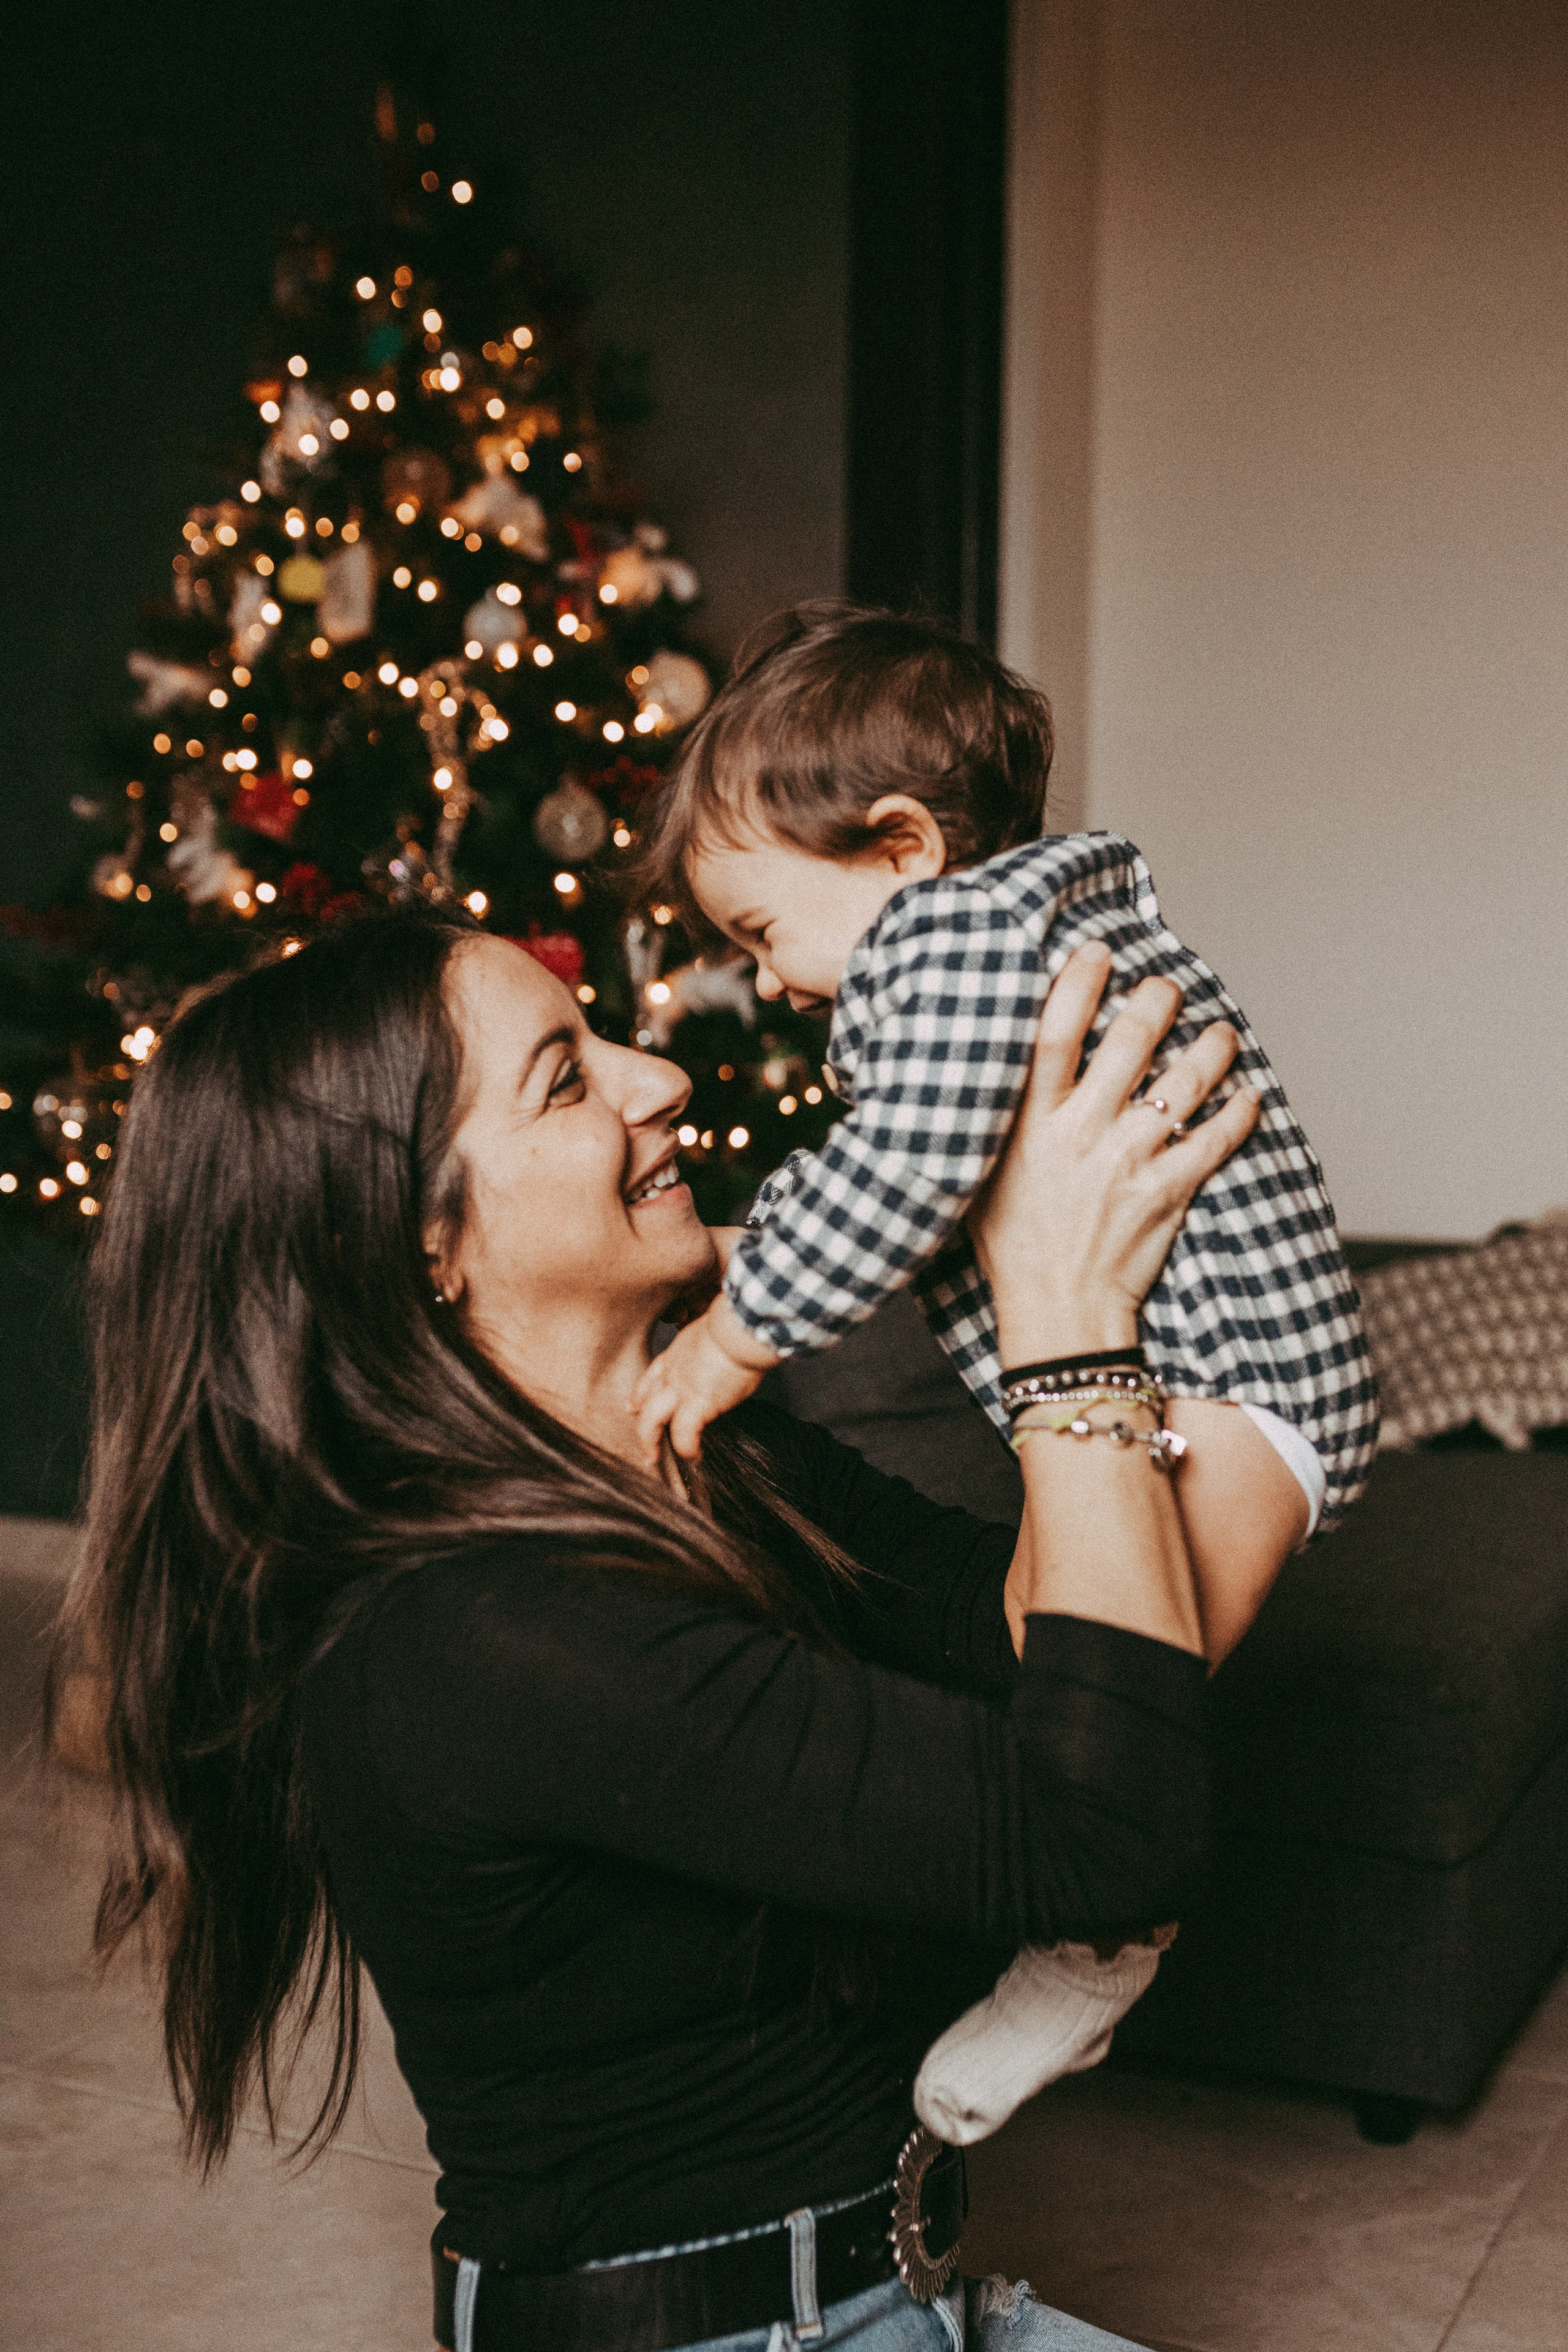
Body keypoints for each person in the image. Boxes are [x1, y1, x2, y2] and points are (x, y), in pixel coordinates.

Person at [64, 903, 1257, 2352]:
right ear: (423, 1242)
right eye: (566, 1079)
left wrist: (1011, 1254)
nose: (659, 1077)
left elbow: (1023, 1639)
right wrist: (1066, 1332)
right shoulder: (476, 1632)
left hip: (886, 2295)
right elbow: (1100, 1836)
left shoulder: (700, 1449)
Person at [627, 604, 1379, 2141]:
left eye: (761, 933)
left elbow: (902, 1171)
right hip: (1175, 1378)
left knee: (1113, 1709)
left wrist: (731, 1333)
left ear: (898, 847)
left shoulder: (957, 938)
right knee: (1058, 1656)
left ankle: (1097, 1944)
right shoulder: (998, 934)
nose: (768, 985)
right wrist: (731, 1247)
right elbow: (892, 1173)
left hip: (1242, 1387)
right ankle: (1063, 1921)